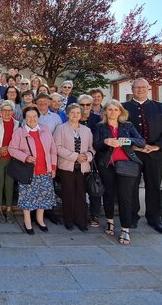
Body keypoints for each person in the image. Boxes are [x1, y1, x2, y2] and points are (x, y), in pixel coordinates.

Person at [122, 78, 162, 235]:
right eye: (136, 87)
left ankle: (154, 219)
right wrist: (131, 145)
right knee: (131, 186)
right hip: (132, 153)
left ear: (148, 89)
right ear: (132, 89)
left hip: (156, 154)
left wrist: (157, 145)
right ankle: (132, 216)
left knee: (154, 186)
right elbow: (118, 129)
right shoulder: (123, 108)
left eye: (143, 87)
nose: (140, 90)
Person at [93, 100, 146, 245]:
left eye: (115, 109)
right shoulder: (100, 126)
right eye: (109, 109)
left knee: (125, 197)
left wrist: (127, 140)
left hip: (126, 164)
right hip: (107, 165)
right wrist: (106, 141)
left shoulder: (127, 126)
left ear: (120, 111)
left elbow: (141, 141)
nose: (112, 112)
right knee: (109, 194)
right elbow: (95, 144)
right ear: (105, 112)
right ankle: (110, 221)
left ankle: (125, 229)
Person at [8, 106, 57, 235]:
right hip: (28, 171)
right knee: (27, 198)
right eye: (29, 117)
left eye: (34, 116)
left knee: (43, 196)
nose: (32, 119)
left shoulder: (45, 130)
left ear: (38, 117)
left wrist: (53, 167)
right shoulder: (20, 132)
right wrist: (25, 157)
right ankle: (27, 221)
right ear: (25, 118)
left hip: (44, 170)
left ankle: (40, 220)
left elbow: (53, 150)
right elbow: (12, 149)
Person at [53, 104, 95, 231]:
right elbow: (57, 147)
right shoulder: (61, 129)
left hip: (83, 168)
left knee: (81, 195)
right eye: (72, 112)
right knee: (68, 194)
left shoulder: (86, 130)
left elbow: (92, 148)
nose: (75, 115)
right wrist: (75, 156)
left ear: (81, 115)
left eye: (78, 113)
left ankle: (81, 221)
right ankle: (69, 221)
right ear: (67, 114)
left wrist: (87, 156)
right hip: (67, 167)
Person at [77, 94, 101, 227]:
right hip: (77, 160)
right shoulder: (74, 117)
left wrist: (90, 154)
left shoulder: (98, 120)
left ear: (92, 106)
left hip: (94, 159)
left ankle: (94, 215)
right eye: (82, 105)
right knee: (79, 188)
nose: (85, 107)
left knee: (94, 187)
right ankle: (81, 214)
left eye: (88, 105)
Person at [0, 100, 20, 223]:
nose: (7, 112)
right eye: (5, 110)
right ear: (1, 112)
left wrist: (8, 148)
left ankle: (9, 210)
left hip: (12, 158)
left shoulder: (17, 124)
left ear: (13, 112)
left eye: (10, 110)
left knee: (9, 184)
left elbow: (19, 142)